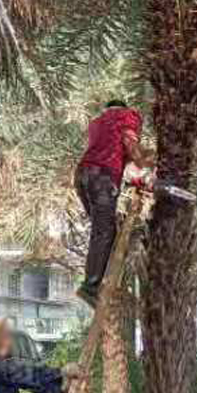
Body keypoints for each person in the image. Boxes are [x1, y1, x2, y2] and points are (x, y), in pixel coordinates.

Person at [74, 99, 150, 308]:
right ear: (123, 109)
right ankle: (91, 286)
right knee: (105, 232)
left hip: (82, 176)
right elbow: (130, 146)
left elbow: (112, 151)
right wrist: (145, 163)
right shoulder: (127, 116)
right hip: (103, 178)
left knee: (103, 231)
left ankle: (96, 281)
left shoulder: (97, 123)